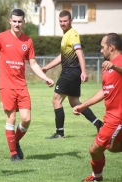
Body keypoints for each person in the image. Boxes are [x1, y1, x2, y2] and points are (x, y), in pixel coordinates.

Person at [0, 9, 54, 162]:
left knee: (26, 119)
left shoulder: (28, 41)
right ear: (10, 21)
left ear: (24, 22)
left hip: (21, 85)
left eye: (19, 21)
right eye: (14, 21)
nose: (17, 24)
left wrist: (45, 78)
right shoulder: (1, 38)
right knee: (11, 118)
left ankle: (15, 141)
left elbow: (33, 64)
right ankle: (13, 154)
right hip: (6, 85)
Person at [42, 10, 103, 139]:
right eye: (60, 21)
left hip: (70, 72)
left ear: (71, 21)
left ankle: (59, 133)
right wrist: (47, 67)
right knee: (75, 102)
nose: (62, 23)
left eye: (65, 21)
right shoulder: (66, 35)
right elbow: (62, 57)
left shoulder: (73, 34)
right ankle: (99, 124)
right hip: (72, 72)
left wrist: (84, 71)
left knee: (56, 100)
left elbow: (80, 53)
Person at [73, 33, 122, 182]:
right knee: (111, 147)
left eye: (103, 47)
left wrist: (115, 67)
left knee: (95, 149)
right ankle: (97, 177)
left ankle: (97, 177)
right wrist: (83, 105)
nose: (101, 50)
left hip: (117, 117)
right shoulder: (107, 66)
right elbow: (104, 90)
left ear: (111, 48)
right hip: (110, 116)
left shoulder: (117, 63)